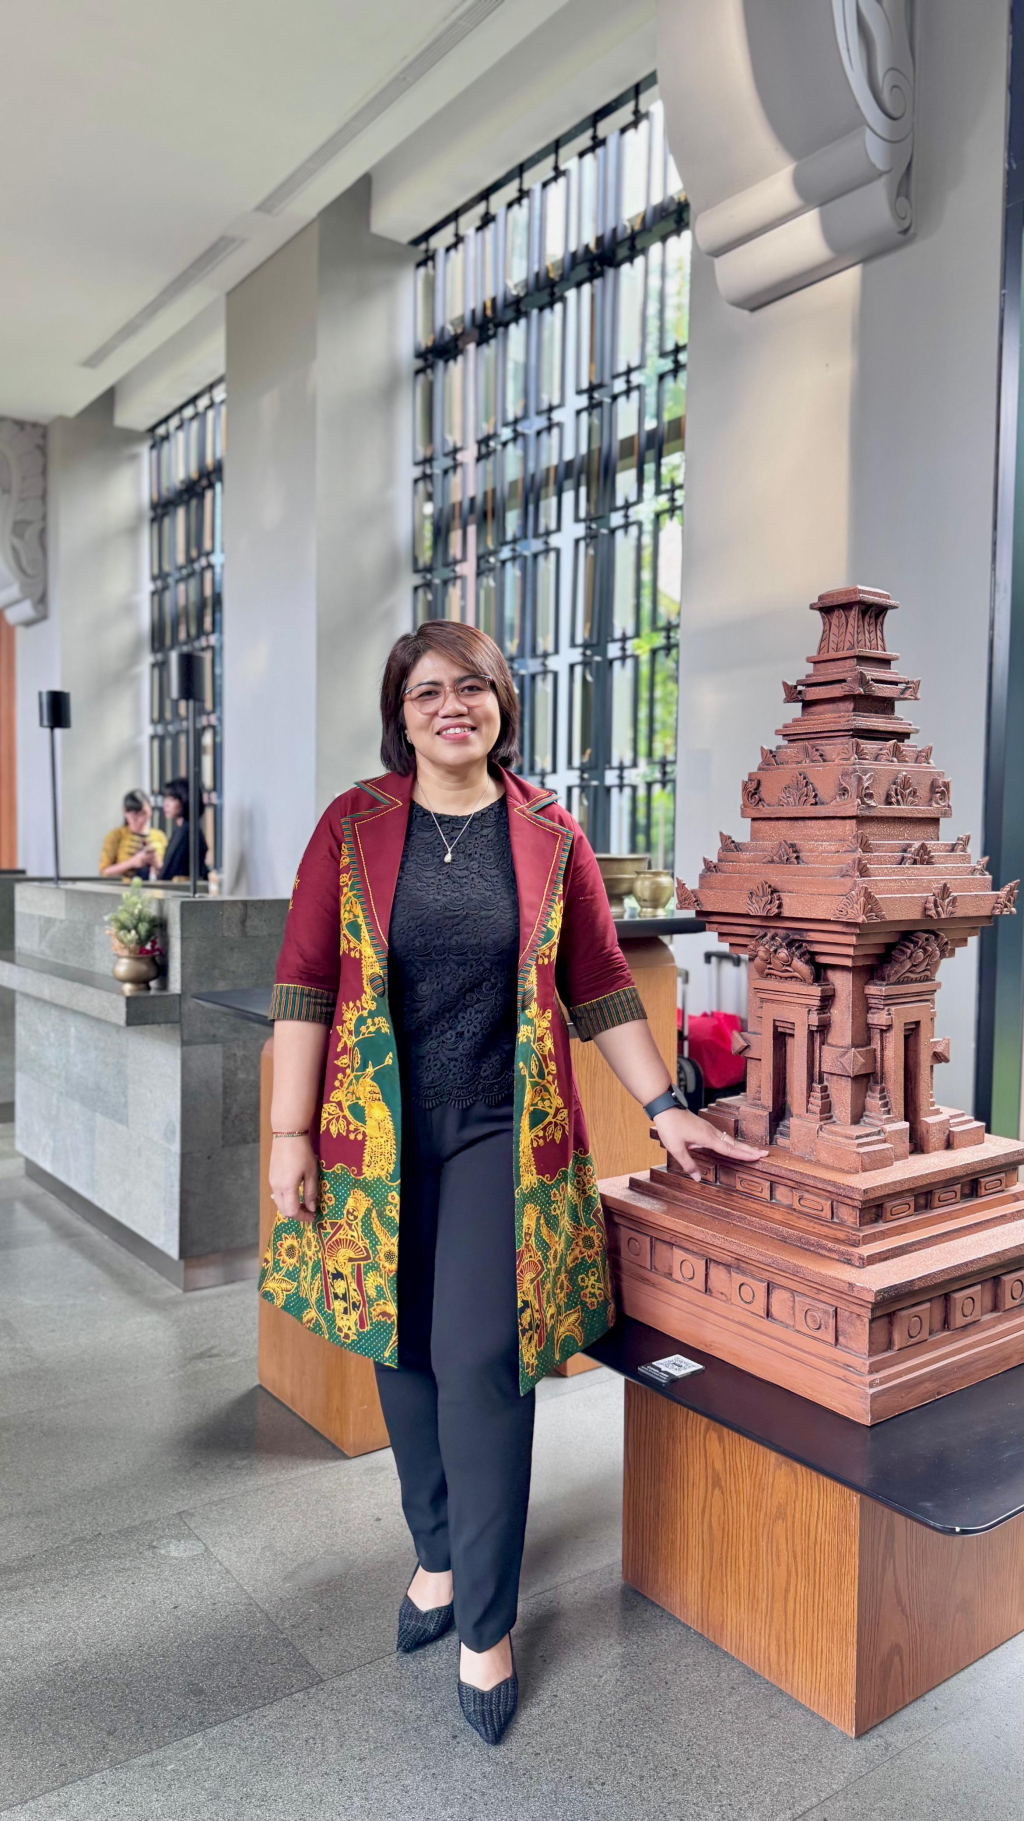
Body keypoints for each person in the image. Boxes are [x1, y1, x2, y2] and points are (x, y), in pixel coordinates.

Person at [263, 621, 765, 1745]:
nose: (453, 706)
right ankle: (436, 1553)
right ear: (400, 716)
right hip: (373, 1132)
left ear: (501, 703)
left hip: (503, 1129)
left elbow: (600, 984)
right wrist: (290, 1133)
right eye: (428, 692)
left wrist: (668, 1106)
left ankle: (485, 1620)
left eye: (473, 686)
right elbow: (304, 982)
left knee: (484, 1356)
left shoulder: (548, 830)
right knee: (399, 1342)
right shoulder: (352, 825)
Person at [98, 790, 167, 879]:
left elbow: (169, 872)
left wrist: (156, 862)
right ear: (125, 812)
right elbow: (104, 871)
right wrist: (132, 862)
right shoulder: (116, 836)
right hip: (123, 886)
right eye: (135, 815)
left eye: (144, 813)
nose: (140, 819)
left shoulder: (159, 836)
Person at [156, 778, 208, 882]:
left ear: (185, 800)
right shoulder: (185, 829)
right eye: (165, 799)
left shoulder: (186, 831)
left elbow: (170, 871)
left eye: (171, 799)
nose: (166, 804)